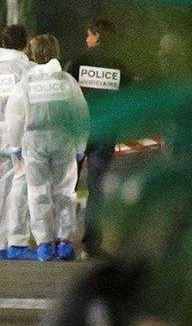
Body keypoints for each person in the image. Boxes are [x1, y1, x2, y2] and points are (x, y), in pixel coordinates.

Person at [6, 35, 89, 262]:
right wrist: (80, 145)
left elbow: (15, 116)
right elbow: (81, 114)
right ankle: (65, 242)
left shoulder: (26, 84)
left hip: (34, 142)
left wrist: (14, 145)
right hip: (64, 140)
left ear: (34, 55)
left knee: (38, 192)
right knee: (65, 192)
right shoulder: (67, 82)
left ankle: (44, 243)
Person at [63, 19, 130, 257]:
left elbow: (65, 90)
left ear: (98, 36)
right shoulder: (121, 64)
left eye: (89, 35)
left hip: (78, 130)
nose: (87, 40)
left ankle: (63, 240)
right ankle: (92, 242)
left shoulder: (79, 61)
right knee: (97, 187)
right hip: (105, 131)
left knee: (67, 185)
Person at [0, 24, 35, 261]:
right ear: (25, 43)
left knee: (5, 187)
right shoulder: (27, 69)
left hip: (1, 135)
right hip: (23, 137)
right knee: (21, 189)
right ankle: (17, 241)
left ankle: (0, 243)